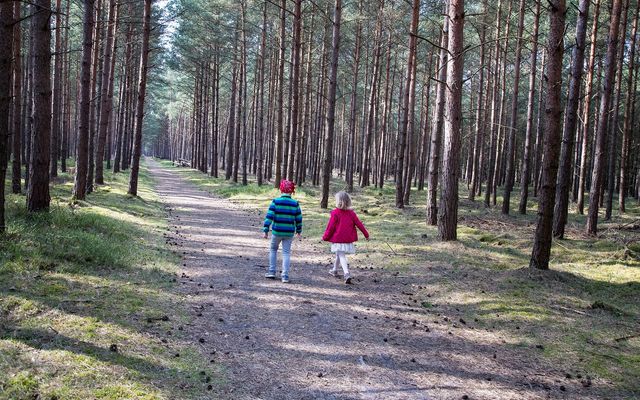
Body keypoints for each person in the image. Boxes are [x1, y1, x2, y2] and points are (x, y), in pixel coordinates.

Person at [322, 191, 369, 284]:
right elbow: (359, 224)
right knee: (339, 253)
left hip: (338, 238)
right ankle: (334, 270)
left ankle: (346, 273)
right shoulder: (351, 213)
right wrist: (366, 234)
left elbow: (330, 227)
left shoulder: (335, 213)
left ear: (338, 201)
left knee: (341, 255)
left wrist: (325, 237)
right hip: (347, 238)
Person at [263, 179, 303, 283]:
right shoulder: (295, 204)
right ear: (291, 191)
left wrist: (266, 229)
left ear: (281, 190)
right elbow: (299, 218)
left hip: (277, 232)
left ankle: (272, 271)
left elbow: (269, 216)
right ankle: (285, 276)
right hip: (289, 233)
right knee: (286, 253)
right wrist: (299, 230)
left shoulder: (276, 201)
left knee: (273, 250)